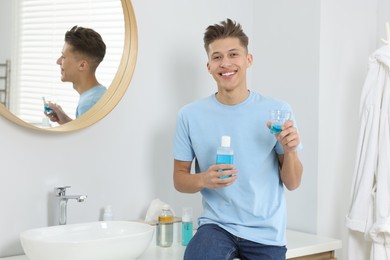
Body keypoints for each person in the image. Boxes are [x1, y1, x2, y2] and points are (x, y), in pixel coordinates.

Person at [173, 18, 303, 260]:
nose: (226, 63)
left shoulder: (277, 112)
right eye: (217, 57)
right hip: (217, 226)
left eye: (234, 54)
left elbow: (293, 182)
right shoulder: (189, 115)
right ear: (209, 65)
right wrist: (204, 179)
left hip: (266, 232)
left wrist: (291, 151)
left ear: (248, 60)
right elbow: (179, 180)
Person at [45, 25, 106, 125]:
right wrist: (66, 121)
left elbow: (85, 141)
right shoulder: (99, 94)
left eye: (63, 57)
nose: (58, 61)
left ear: (82, 65)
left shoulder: (88, 104)